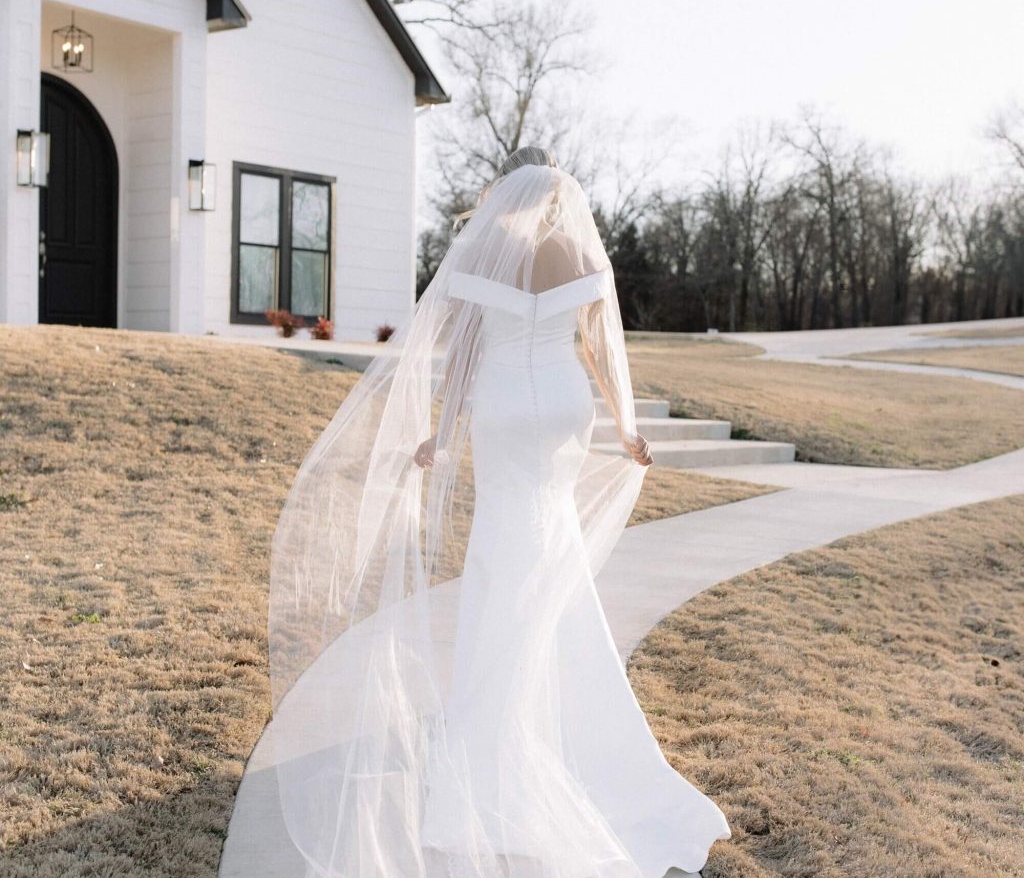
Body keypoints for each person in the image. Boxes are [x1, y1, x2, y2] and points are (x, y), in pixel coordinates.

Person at [267, 146, 731, 878]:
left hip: (508, 409)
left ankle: (495, 728)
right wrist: (625, 426)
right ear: (556, 195)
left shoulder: (485, 248)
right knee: (553, 549)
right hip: (565, 408)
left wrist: (441, 433)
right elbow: (601, 348)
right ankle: (561, 708)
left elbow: (465, 351)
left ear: (505, 188)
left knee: (501, 553)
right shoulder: (579, 245)